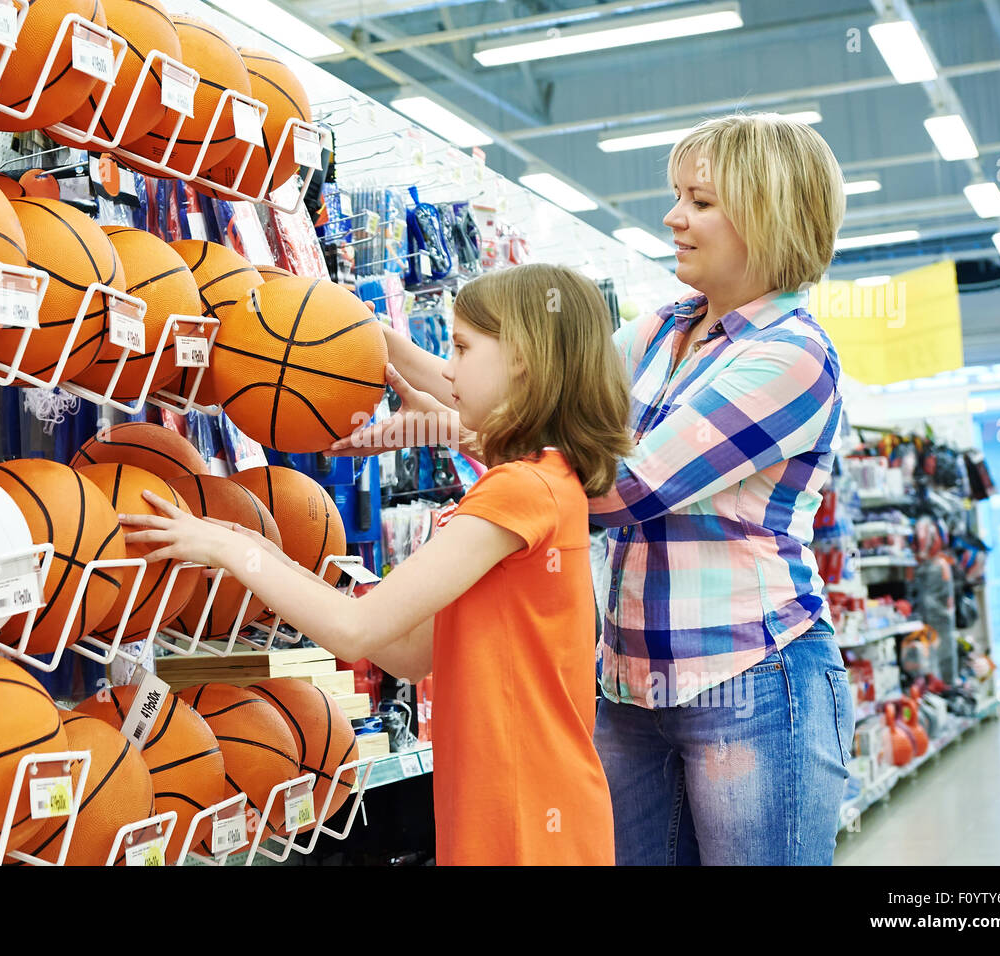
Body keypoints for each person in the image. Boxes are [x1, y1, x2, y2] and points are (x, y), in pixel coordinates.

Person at [335, 113, 856, 866]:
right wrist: (367, 341)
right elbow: (525, 403)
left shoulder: (792, 356)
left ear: (768, 212)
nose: (673, 217)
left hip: (753, 681)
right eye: (678, 196)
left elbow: (620, 488)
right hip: (628, 687)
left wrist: (448, 428)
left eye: (700, 202)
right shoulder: (657, 333)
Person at [121, 264, 631, 866]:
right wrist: (272, 559)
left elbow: (354, 631)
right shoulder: (546, 480)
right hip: (509, 804)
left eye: (463, 348)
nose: (446, 368)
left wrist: (235, 549)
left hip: (525, 816)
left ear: (522, 359)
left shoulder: (518, 492)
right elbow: (408, 651)